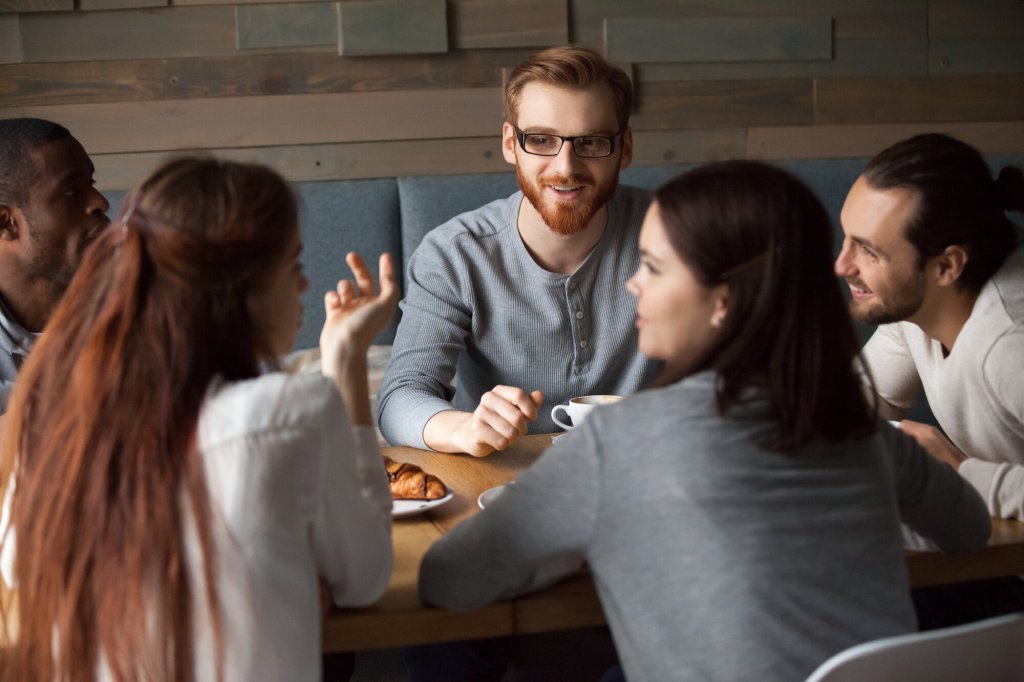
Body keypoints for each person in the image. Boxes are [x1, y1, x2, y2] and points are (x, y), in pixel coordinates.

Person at [417, 161, 991, 682]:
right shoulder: (856, 426)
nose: (632, 283)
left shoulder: (617, 444)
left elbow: (448, 579)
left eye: (654, 267)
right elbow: (969, 529)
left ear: (724, 301)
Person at [0, 157, 398, 680]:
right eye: (294, 266)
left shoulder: (52, 414)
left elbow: (16, 565)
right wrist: (344, 358)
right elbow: (364, 578)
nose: (304, 287)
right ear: (239, 290)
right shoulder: (292, 411)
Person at [377, 45, 659, 456]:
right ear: (511, 143)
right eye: (541, 140)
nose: (565, 167)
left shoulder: (676, 233)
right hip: (501, 486)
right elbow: (400, 397)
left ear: (625, 148)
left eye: (592, 142)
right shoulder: (454, 255)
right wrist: (464, 428)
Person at [835, 132, 1024, 629]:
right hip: (988, 571)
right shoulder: (917, 304)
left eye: (868, 251)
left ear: (947, 265)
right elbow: (852, 405)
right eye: (846, 236)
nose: (842, 264)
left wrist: (961, 473)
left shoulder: (1012, 344)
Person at [0, 118, 110, 413]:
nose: (100, 202)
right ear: (6, 222)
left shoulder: (148, 305)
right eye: (71, 192)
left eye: (92, 184)